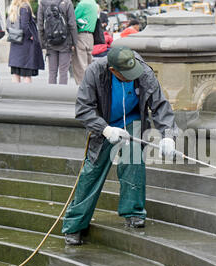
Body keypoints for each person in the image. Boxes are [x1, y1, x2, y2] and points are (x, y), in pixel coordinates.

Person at [62, 46, 179, 245]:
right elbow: (83, 109)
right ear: (113, 70)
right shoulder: (95, 72)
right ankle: (74, 226)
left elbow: (159, 105)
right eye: (126, 75)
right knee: (92, 173)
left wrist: (168, 135)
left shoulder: (143, 72)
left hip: (133, 121)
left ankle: (133, 212)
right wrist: (106, 130)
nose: (131, 77)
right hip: (105, 125)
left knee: (133, 162)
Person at [37, 0, 78, 85]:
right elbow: (72, 24)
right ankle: (62, 96)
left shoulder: (43, 3)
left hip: (50, 42)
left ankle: (51, 95)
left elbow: (40, 26)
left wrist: (42, 43)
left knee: (52, 72)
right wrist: (74, 43)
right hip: (65, 42)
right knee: (63, 72)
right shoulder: (67, 2)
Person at [8, 0, 44, 84]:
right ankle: (26, 95)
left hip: (15, 42)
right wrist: (31, 36)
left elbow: (9, 25)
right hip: (25, 45)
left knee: (16, 74)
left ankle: (15, 94)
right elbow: (25, 26)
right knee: (26, 75)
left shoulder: (13, 7)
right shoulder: (25, 7)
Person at [72, 0, 98, 85]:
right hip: (90, 36)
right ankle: (90, 86)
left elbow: (73, 18)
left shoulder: (82, 4)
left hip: (81, 35)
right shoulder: (94, 4)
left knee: (80, 64)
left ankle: (82, 87)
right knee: (89, 63)